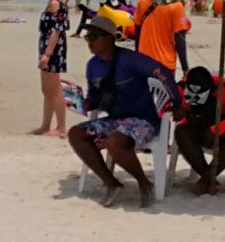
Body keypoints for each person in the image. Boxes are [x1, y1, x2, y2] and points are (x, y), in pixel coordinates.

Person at [67, 22, 171, 206]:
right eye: (86, 37)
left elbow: (163, 72)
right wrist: (80, 103)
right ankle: (112, 184)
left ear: (108, 38)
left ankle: (144, 183)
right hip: (115, 119)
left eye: (93, 37)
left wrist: (177, 102)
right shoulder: (92, 66)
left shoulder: (130, 60)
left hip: (143, 119)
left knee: (114, 142)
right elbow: (94, 97)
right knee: (76, 134)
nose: (88, 42)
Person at [172, 66, 225, 195]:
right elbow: (171, 108)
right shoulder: (181, 88)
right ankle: (211, 180)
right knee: (181, 131)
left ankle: (205, 180)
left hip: (224, 131)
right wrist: (179, 110)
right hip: (199, 128)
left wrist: (216, 129)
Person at [33, 0, 70, 136]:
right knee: (46, 89)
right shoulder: (54, 3)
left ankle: (61, 127)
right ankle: (45, 125)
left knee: (54, 89)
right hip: (49, 48)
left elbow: (56, 31)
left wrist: (47, 54)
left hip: (53, 50)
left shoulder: (56, 4)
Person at [138, 0, 192, 76]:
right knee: (164, 90)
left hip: (143, 63)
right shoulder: (176, 5)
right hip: (165, 65)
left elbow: (137, 33)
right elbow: (180, 41)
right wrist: (185, 69)